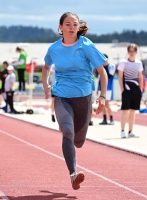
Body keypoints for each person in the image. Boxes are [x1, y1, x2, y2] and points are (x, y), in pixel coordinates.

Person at [42, 12, 108, 190]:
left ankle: (70, 130)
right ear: (60, 27)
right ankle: (73, 174)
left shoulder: (86, 45)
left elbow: (102, 72)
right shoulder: (54, 49)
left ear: (79, 27)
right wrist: (46, 85)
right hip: (62, 96)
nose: (72, 27)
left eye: (75, 24)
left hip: (84, 98)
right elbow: (46, 67)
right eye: (68, 24)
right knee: (68, 132)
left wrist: (102, 97)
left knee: (78, 141)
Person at [118, 43, 143, 138]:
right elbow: (120, 77)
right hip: (126, 90)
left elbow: (140, 77)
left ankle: (131, 131)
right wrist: (122, 89)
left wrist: (140, 89)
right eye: (130, 51)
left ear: (136, 52)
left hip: (136, 90)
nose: (131, 53)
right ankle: (122, 131)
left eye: (133, 51)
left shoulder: (139, 63)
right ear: (128, 52)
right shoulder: (123, 62)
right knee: (125, 110)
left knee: (133, 111)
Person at [97, 54, 116, 125]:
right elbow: (99, 79)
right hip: (100, 88)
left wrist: (105, 68)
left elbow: (110, 75)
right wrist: (97, 89)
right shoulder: (100, 67)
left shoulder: (111, 66)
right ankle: (104, 119)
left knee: (107, 104)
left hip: (108, 88)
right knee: (102, 104)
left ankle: (111, 118)